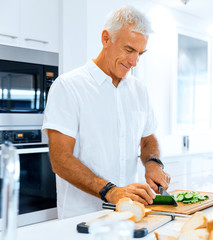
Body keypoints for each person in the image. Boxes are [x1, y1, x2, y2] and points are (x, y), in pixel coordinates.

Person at [42, 6, 170, 219]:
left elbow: (147, 139)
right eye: (129, 50)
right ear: (105, 38)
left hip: (129, 216)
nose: (134, 61)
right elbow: (60, 159)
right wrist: (110, 191)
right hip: (81, 219)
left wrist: (153, 163)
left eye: (140, 53)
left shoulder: (139, 90)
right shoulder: (68, 86)